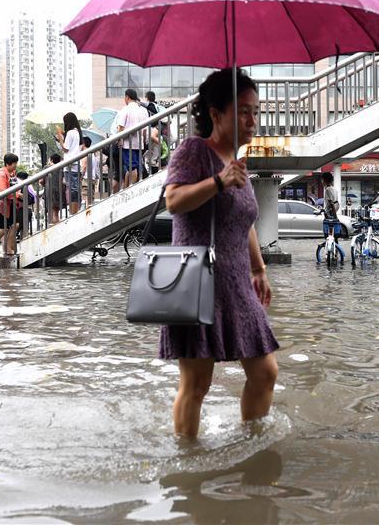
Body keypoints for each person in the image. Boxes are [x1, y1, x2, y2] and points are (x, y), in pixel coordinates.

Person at [162, 68, 278, 438]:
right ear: (216, 114)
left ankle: (251, 445)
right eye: (243, 111)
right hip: (197, 281)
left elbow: (242, 222)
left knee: (265, 371)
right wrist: (217, 180)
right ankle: (187, 463)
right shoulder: (194, 151)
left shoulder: (239, 162)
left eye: (256, 111)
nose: (252, 120)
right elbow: (173, 201)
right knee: (197, 384)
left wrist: (259, 269)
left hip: (236, 283)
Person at [114, 88, 150, 189]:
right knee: (135, 167)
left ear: (127, 97)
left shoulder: (126, 109)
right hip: (139, 144)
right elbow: (145, 130)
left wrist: (119, 139)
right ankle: (128, 187)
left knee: (131, 167)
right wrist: (143, 141)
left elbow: (121, 126)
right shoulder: (142, 110)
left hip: (127, 143)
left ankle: (131, 188)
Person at [0, 153, 19, 255]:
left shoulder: (11, 173)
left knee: (13, 225)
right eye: (14, 163)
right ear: (8, 163)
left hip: (9, 203)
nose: (16, 165)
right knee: (3, 228)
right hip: (2, 205)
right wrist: (16, 195)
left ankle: (7, 248)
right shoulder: (2, 174)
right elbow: (2, 191)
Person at [55, 112, 82, 215]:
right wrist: (62, 134)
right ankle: (75, 210)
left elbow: (65, 149)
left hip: (70, 164)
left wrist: (60, 136)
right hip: (75, 164)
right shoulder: (76, 132)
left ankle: (73, 212)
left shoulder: (71, 133)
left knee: (72, 189)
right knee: (74, 188)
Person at [321, 171, 341, 242]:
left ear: (324, 180)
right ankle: (336, 250)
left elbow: (331, 203)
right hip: (335, 209)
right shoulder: (334, 189)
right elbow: (336, 203)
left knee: (328, 233)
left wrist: (334, 216)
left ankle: (330, 249)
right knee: (334, 235)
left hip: (330, 213)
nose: (321, 181)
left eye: (322, 180)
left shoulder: (327, 190)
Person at [47, 153, 65, 224]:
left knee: (52, 213)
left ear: (51, 160)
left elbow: (41, 180)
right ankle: (56, 225)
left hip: (50, 191)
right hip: (59, 190)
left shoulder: (47, 168)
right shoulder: (61, 169)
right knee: (56, 213)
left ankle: (53, 227)